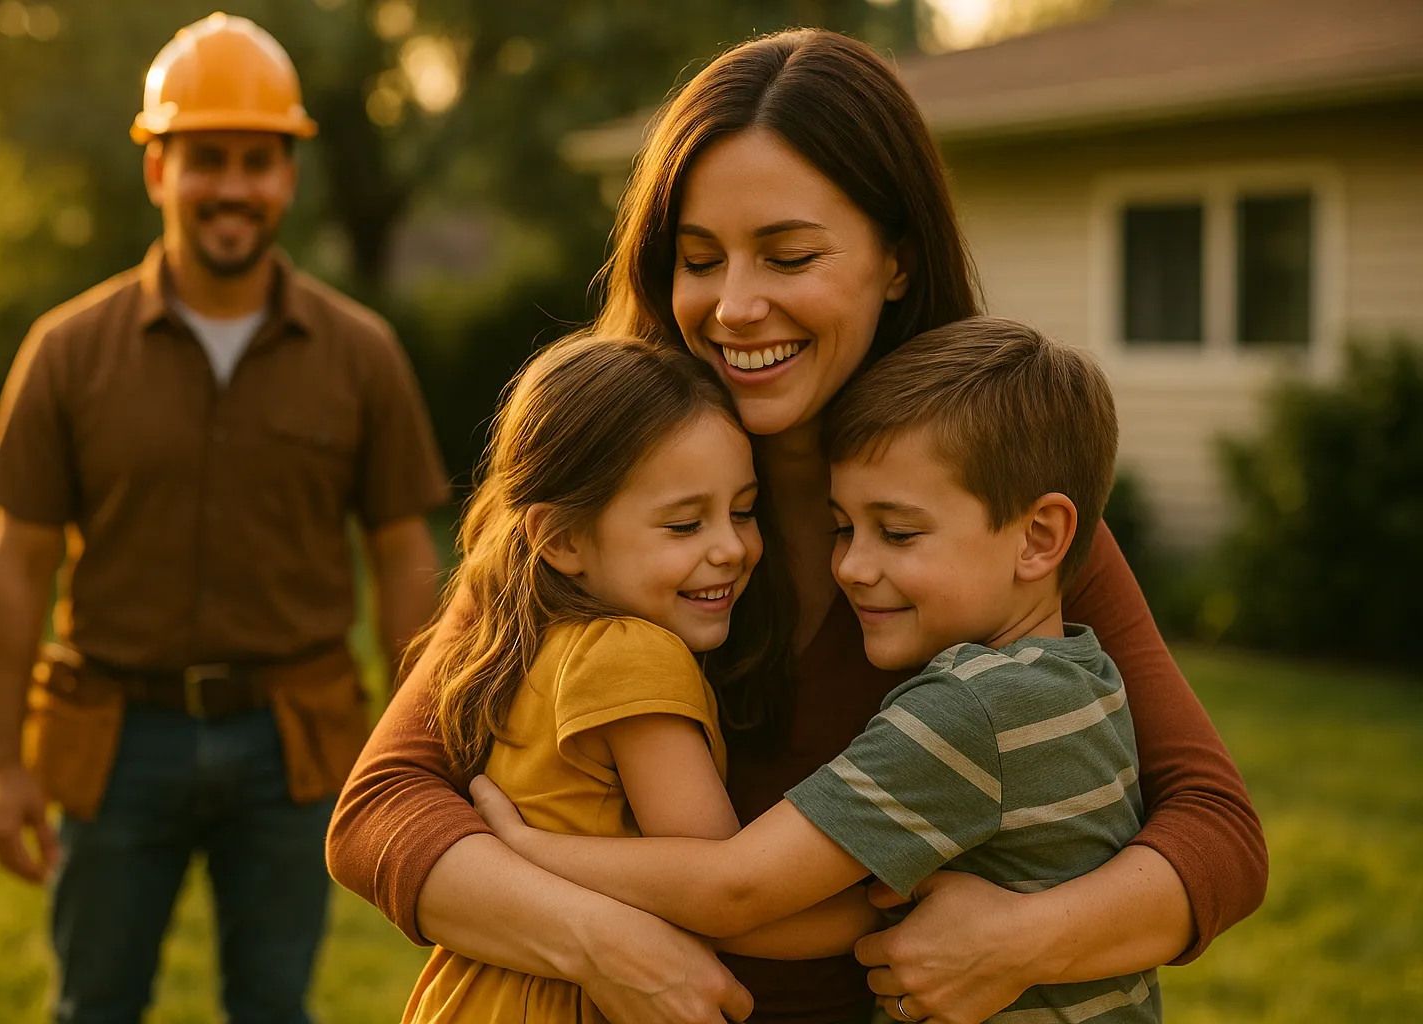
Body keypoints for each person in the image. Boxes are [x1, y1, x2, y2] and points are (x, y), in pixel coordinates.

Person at [328, 29, 1267, 1024]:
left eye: (789, 254)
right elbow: (382, 808)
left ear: (897, 261)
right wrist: (604, 941)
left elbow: (1216, 833)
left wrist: (1013, 943)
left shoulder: (988, 516)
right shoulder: (599, 508)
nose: (735, 306)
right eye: (699, 259)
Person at [472, 317, 1163, 1024]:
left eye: (897, 532)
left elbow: (733, 891)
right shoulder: (1085, 675)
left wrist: (524, 850)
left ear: (1040, 537)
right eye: (843, 529)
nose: (852, 568)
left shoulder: (965, 713)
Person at [0, 13, 449, 1023]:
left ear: (288, 176)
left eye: (257, 161)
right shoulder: (66, 351)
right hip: (114, 735)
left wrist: (424, 745)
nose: (231, 186)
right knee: (93, 1003)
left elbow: (403, 558)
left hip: (295, 736)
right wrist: (5, 762)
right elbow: (15, 563)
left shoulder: (362, 355)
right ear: (158, 170)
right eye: (205, 159)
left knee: (274, 1006)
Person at [401, 336, 879, 1024]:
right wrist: (884, 912)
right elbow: (725, 899)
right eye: (685, 523)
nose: (730, 548)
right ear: (561, 539)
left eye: (743, 511)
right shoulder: (633, 653)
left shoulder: (532, 638)